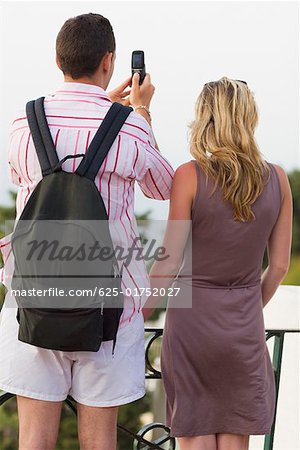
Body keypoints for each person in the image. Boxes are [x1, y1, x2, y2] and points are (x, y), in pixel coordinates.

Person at [0, 13, 174, 450]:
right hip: (109, 310)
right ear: (109, 62)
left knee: (34, 439)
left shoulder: (24, 123)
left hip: (33, 301)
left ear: (58, 59)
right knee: (100, 443)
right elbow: (163, 186)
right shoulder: (130, 127)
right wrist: (138, 113)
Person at [143, 77, 293, 450]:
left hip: (192, 325)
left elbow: (168, 264)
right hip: (243, 326)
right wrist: (246, 306)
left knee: (195, 438)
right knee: (234, 440)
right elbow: (278, 268)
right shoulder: (277, 179)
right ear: (248, 117)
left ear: (205, 118)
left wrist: (136, 317)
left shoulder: (190, 176)